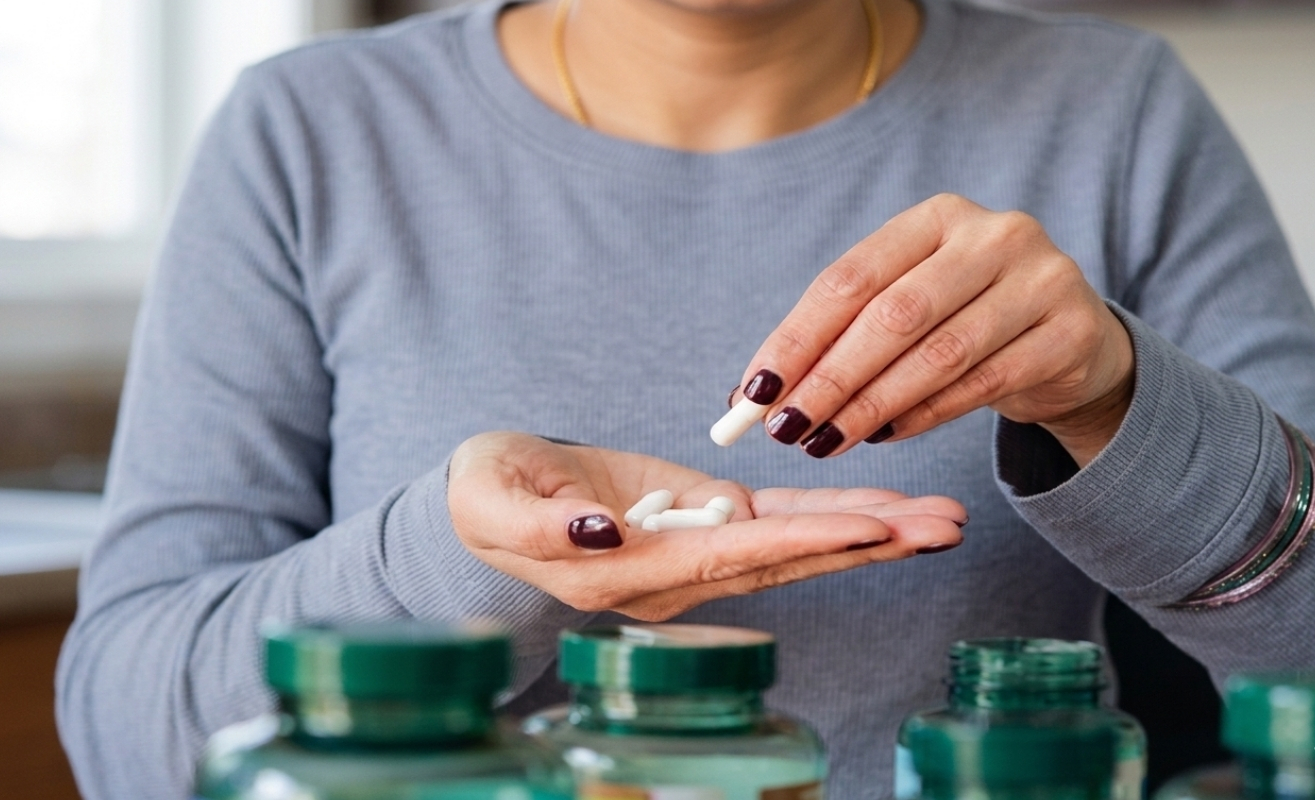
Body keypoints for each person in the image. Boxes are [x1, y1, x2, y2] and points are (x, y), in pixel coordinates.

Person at [56, 0, 1315, 797]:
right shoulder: (311, 130)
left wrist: (1116, 400)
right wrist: (467, 564)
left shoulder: (1116, 114)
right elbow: (128, 736)